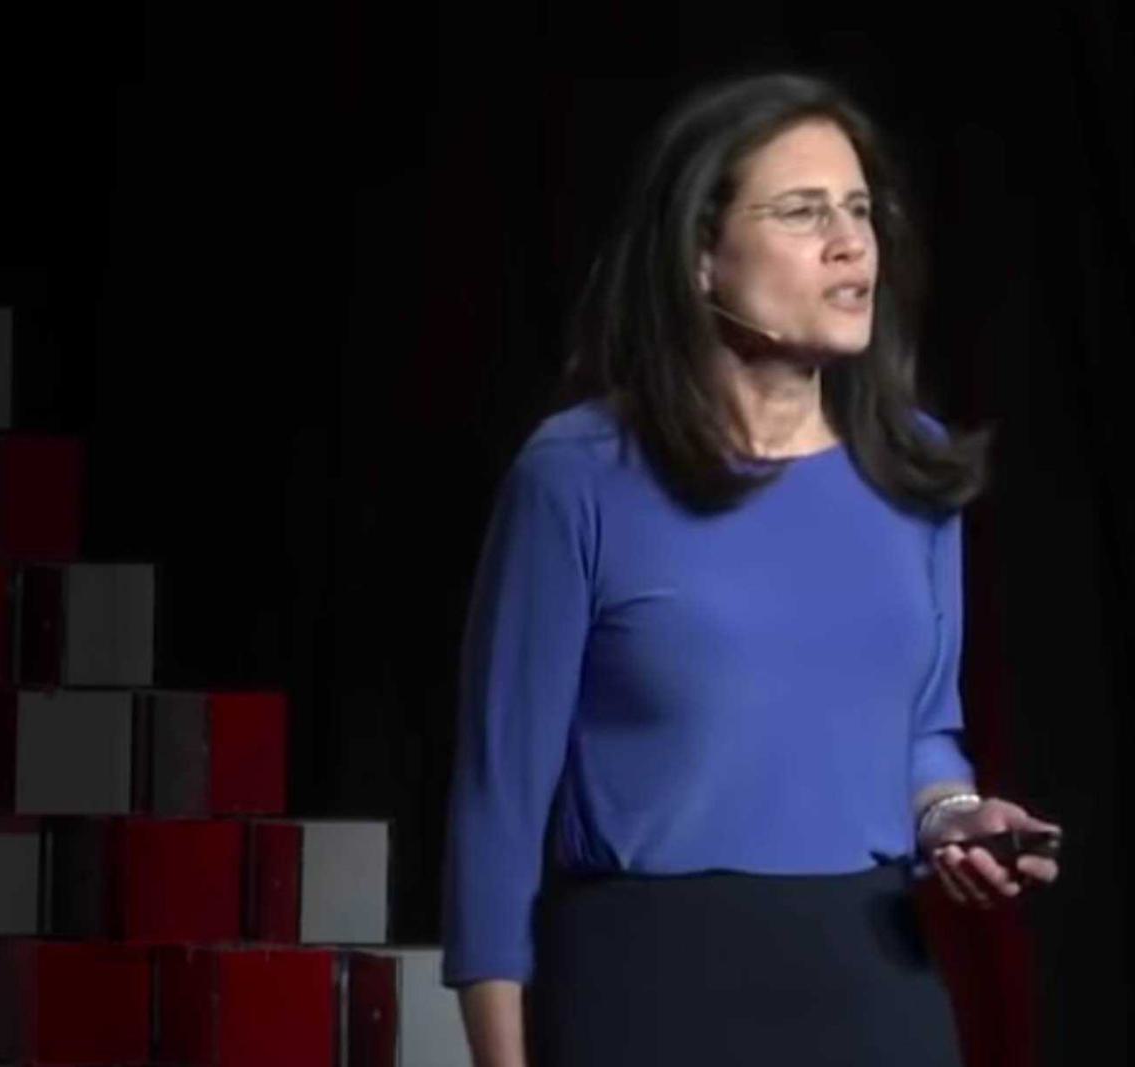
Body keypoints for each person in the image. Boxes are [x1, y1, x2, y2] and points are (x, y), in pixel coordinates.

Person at [438, 71, 1064, 1067]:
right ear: (699, 258)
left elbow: (924, 735)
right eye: (803, 212)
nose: (851, 243)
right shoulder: (575, 475)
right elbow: (496, 805)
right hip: (642, 986)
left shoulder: (912, 467)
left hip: (872, 985)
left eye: (859, 211)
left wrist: (954, 814)